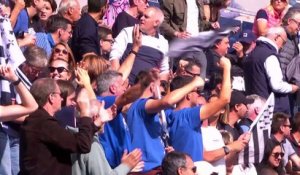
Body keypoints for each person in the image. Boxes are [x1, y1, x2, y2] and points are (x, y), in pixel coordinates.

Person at [19, 78, 110, 174]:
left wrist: (95, 124)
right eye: (59, 95)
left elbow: (73, 140)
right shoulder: (44, 123)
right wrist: (85, 113)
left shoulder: (39, 120)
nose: (62, 98)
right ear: (51, 97)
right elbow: (82, 145)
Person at [243, 26, 299, 114]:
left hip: (253, 106)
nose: (282, 47)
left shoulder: (251, 54)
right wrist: (292, 88)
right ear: (276, 37)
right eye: (283, 43)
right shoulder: (270, 56)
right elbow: (277, 85)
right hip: (267, 110)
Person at [110, 7, 170, 84]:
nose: (141, 18)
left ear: (156, 23)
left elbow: (164, 70)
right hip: (125, 86)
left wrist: (161, 90)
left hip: (147, 91)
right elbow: (114, 56)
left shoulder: (163, 42)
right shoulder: (128, 32)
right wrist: (118, 82)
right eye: (142, 15)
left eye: (146, 17)